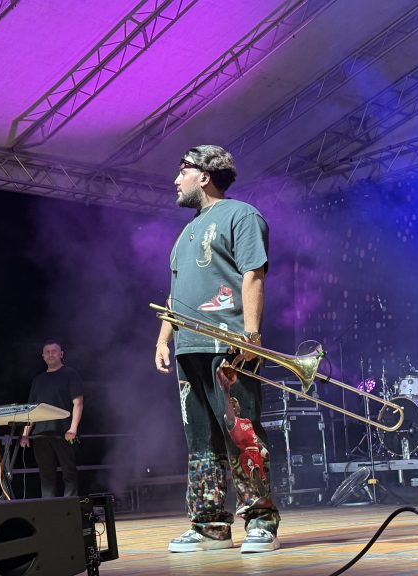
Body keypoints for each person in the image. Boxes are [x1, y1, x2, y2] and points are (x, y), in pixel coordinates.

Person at [154, 145, 279, 553]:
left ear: (204, 176)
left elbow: (253, 275)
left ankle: (260, 521)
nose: (176, 180)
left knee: (242, 433)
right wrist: (163, 339)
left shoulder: (241, 215)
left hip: (229, 345)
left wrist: (252, 335)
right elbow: (175, 294)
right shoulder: (184, 234)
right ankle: (210, 525)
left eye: (183, 171)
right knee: (201, 441)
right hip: (188, 349)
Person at [19, 341, 84, 497]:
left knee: (69, 473)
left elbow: (78, 403)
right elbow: (31, 410)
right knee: (46, 475)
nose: (50, 354)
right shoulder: (38, 380)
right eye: (47, 352)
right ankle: (49, 507)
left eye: (54, 351)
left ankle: (69, 506)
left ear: (61, 354)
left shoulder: (70, 374)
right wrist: (25, 434)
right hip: (40, 434)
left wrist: (73, 428)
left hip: (64, 432)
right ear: (43, 356)